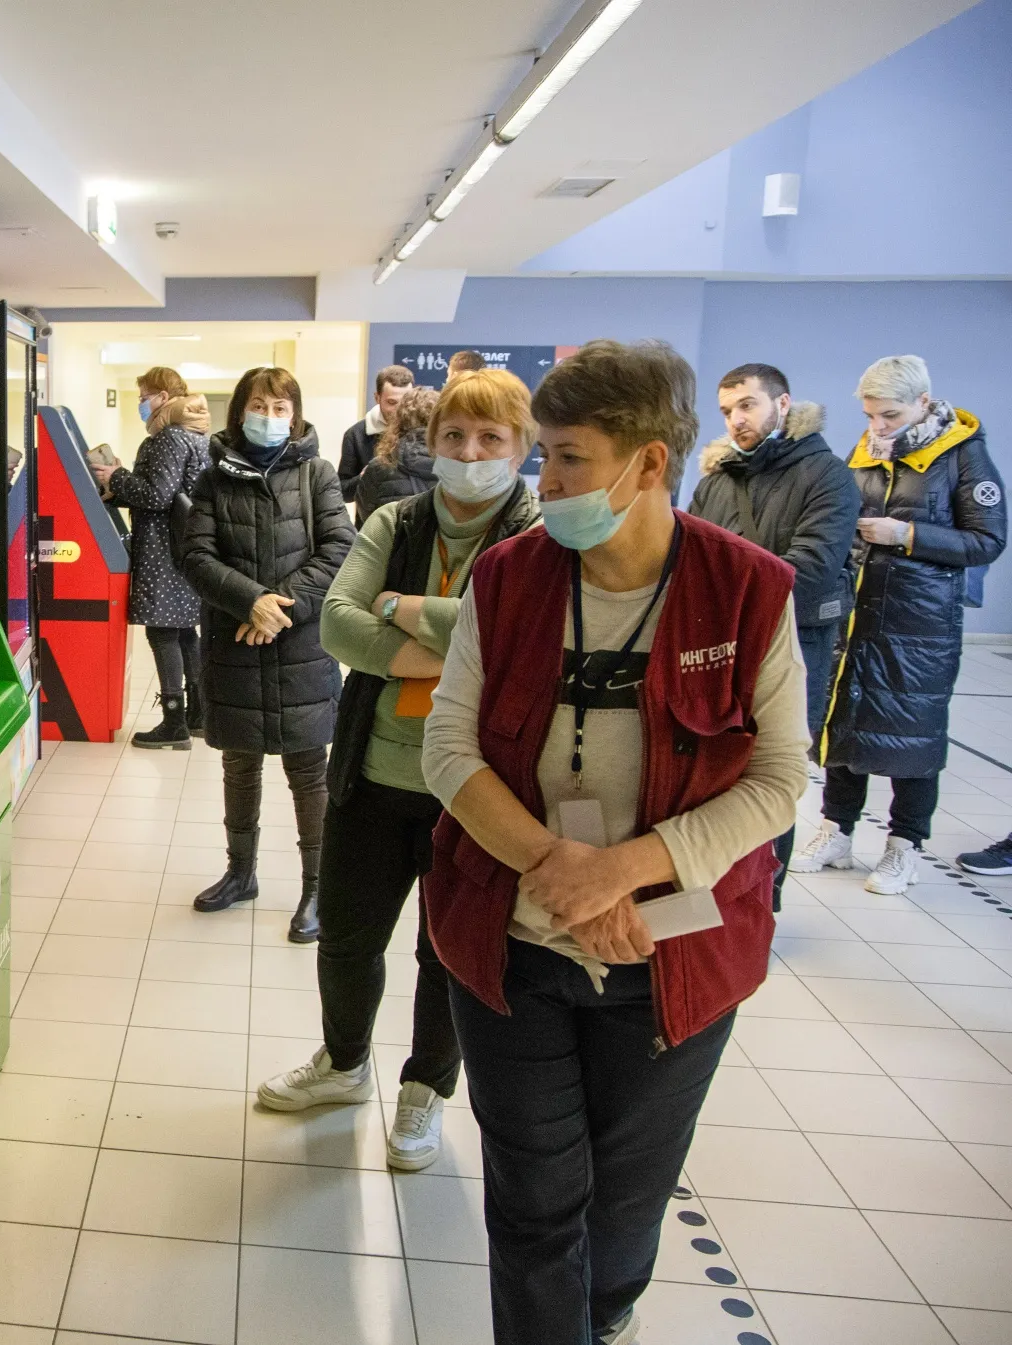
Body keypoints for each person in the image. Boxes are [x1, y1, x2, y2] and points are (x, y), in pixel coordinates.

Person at [421, 340, 807, 1345]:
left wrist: (624, 874)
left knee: (624, 1203)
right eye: (542, 455)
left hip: (672, 953)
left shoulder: (747, 590)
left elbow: (775, 779)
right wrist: (558, 874)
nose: (542, 481)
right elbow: (446, 746)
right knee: (534, 1203)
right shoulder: (508, 578)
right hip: (512, 946)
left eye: (567, 458)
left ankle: (605, 1317)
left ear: (646, 463)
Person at [260, 370, 541, 1174]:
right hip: (373, 774)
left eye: (491, 439)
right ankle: (344, 1064)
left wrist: (401, 607)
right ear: (432, 440)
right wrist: (455, 647)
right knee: (347, 939)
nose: (470, 452)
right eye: (455, 436)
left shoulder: (536, 536)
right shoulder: (396, 518)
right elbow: (341, 627)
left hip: (477, 791)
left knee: (446, 952)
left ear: (521, 448)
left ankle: (425, 1089)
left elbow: (521, 634)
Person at [793, 355, 1006, 895]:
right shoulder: (865, 451)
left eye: (889, 415)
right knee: (844, 723)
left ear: (923, 404)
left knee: (914, 735)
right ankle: (836, 830)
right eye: (870, 415)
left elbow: (988, 539)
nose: (877, 427)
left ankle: (902, 847)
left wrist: (906, 535)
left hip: (921, 624)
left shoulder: (963, 455)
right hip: (858, 610)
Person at [183, 366, 355, 939]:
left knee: (309, 771)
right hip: (235, 642)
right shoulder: (212, 480)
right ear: (240, 412)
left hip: (300, 644)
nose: (270, 417)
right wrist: (251, 601)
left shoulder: (318, 475)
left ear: (296, 415)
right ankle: (241, 873)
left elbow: (339, 549)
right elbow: (197, 558)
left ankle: (319, 890)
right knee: (239, 764)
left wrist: (279, 610)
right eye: (260, 406)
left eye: (281, 408)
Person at [688, 363, 859, 908]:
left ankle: (763, 903)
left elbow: (810, 571)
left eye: (747, 405)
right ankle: (705, 895)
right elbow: (685, 559)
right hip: (712, 649)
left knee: (770, 777)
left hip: (791, 650)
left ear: (782, 405)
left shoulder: (827, 475)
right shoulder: (716, 480)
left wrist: (721, 603)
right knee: (709, 772)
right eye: (726, 410)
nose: (735, 419)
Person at [96, 393, 214, 747]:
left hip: (163, 551)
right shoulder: (196, 437)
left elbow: (158, 496)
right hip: (184, 548)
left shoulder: (168, 438)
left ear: (164, 398)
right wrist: (117, 491)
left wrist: (117, 477)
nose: (142, 402)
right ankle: (198, 715)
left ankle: (173, 722)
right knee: (183, 633)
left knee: (162, 633)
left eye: (146, 395)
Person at [353, 385, 440, 521]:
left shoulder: (379, 467)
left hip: (390, 540)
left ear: (398, 421)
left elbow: (367, 518)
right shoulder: (456, 465)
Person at [338, 364, 415, 507]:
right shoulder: (356, 435)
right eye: (391, 402)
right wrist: (365, 477)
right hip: (371, 522)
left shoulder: (423, 431)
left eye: (405, 402)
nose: (398, 410)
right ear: (377, 398)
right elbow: (342, 491)